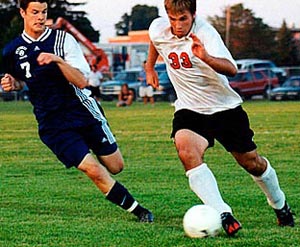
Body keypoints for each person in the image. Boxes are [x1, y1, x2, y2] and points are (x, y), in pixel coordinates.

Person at [145, 0, 294, 236]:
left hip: (225, 109)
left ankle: (280, 204)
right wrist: (149, 68)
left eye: (183, 18)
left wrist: (205, 57)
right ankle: (222, 213)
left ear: (193, 14)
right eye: (173, 19)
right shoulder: (159, 28)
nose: (177, 25)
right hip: (190, 109)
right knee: (185, 149)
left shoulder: (206, 33)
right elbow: (155, 42)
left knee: (251, 162)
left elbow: (231, 69)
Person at [1, 0, 153, 223]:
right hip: (52, 123)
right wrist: (13, 84)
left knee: (116, 166)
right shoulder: (11, 50)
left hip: (81, 111)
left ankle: (102, 158)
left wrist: (57, 61)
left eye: (44, 12)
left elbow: (81, 81)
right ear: (23, 12)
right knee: (92, 169)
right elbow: (22, 81)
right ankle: (139, 210)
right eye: (35, 12)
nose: (40, 17)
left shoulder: (63, 40)